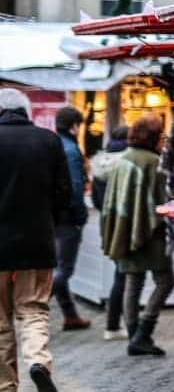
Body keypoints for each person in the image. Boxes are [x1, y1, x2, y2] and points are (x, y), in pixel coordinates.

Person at [0, 87, 71, 392]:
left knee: (0, 320)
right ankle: (38, 361)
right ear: (26, 111)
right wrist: (48, 222)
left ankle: (5, 389)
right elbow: (64, 192)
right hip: (37, 242)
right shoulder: (49, 140)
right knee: (34, 310)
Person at [100, 114, 174, 357]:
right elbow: (161, 201)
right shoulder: (153, 161)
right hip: (149, 233)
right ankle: (143, 333)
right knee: (165, 281)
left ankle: (134, 335)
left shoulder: (123, 159)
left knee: (133, 282)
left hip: (125, 230)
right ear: (153, 137)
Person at [52, 106, 92, 331]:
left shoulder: (54, 144)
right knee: (63, 270)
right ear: (74, 126)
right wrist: (80, 216)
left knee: (58, 267)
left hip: (54, 216)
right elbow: (75, 187)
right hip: (67, 218)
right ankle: (28, 307)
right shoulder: (70, 150)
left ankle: (70, 315)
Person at [91, 126, 133, 341]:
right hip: (126, 223)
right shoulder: (129, 162)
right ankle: (117, 324)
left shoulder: (100, 163)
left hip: (107, 224)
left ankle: (115, 324)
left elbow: (98, 202)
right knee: (125, 275)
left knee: (120, 272)